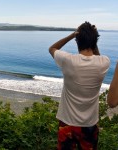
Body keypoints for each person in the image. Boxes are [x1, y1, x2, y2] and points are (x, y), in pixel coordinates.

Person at [49, 22, 110, 150]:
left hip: (67, 122)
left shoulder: (68, 60)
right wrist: (92, 39)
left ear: (77, 41)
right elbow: (97, 57)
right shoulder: (104, 62)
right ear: (94, 42)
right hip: (90, 124)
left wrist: (72, 35)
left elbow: (52, 49)